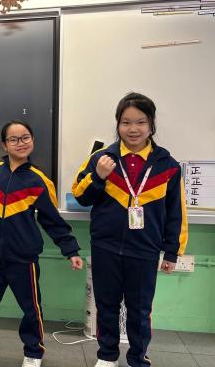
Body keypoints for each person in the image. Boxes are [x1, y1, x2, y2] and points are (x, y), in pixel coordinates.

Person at [0, 120, 84, 367]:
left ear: (32, 140)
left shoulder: (39, 181)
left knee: (31, 309)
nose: (20, 143)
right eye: (13, 139)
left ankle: (33, 353)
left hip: (24, 259)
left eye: (25, 138)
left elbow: (52, 221)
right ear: (4, 145)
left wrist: (71, 250)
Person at [72, 92, 188, 367]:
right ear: (118, 124)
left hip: (145, 249)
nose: (133, 129)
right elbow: (80, 196)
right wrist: (98, 176)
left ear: (151, 125)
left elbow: (176, 213)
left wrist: (172, 251)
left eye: (141, 122)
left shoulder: (167, 166)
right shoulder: (102, 158)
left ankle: (137, 358)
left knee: (140, 310)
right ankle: (107, 356)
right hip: (106, 247)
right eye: (125, 122)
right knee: (106, 305)